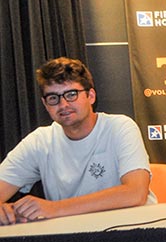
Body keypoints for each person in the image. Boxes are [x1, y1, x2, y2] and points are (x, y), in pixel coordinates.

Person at [0, 57, 154, 225]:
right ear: (45, 104)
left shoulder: (120, 127)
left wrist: (55, 208)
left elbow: (136, 193)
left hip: (133, 231)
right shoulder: (40, 141)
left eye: (71, 94)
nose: (63, 104)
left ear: (91, 96)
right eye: (53, 98)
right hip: (74, 237)